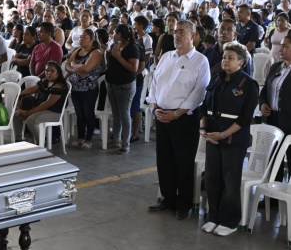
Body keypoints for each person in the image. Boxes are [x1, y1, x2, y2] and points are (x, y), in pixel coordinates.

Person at [147, 20, 210, 220]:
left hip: (183, 118)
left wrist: (177, 113)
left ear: (193, 36)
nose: (177, 36)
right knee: (164, 160)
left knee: (183, 162)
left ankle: (184, 204)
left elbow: (199, 91)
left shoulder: (200, 61)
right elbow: (155, 83)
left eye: (181, 32)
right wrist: (155, 106)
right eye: (175, 32)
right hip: (161, 114)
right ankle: (168, 199)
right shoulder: (167, 56)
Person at [199, 42, 259, 237]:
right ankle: (213, 217)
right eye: (224, 57)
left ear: (241, 62)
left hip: (233, 140)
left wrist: (223, 134)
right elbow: (204, 107)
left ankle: (230, 220)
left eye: (231, 58)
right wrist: (203, 129)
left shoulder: (248, 84)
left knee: (230, 181)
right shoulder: (216, 79)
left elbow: (244, 118)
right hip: (212, 137)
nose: (226, 60)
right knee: (211, 179)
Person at [105, 24, 141, 154]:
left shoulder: (133, 48)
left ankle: (126, 143)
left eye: (115, 31)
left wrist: (119, 57)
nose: (113, 33)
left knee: (125, 114)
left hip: (125, 85)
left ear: (120, 34)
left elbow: (133, 68)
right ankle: (116, 139)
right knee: (116, 114)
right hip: (112, 84)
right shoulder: (116, 45)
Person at [65, 28, 102, 150]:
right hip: (76, 88)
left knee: (88, 114)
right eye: (80, 36)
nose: (81, 39)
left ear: (91, 39)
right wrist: (77, 67)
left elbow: (87, 69)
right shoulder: (77, 50)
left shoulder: (96, 52)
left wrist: (75, 66)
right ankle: (80, 138)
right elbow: (67, 65)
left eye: (84, 37)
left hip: (89, 89)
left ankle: (88, 140)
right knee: (79, 114)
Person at [14, 60, 69, 143]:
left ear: (57, 73)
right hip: (40, 109)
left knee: (31, 121)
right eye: (47, 70)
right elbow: (32, 89)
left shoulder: (59, 85)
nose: (49, 73)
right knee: (16, 115)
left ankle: (41, 143)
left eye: (52, 71)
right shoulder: (44, 81)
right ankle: (18, 140)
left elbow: (47, 104)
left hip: (53, 112)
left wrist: (29, 112)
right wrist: (19, 94)